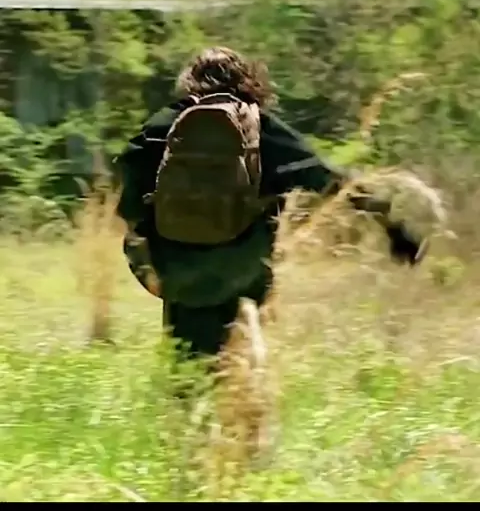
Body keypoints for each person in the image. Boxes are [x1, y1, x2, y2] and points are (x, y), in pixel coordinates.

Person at [115, 47, 427, 361]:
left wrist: (155, 240)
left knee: (185, 355)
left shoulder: (166, 123)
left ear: (189, 82)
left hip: (174, 267)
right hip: (244, 266)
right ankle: (240, 376)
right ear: (247, 81)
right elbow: (331, 181)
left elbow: (128, 197)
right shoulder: (258, 126)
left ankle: (188, 383)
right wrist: (393, 228)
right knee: (236, 348)